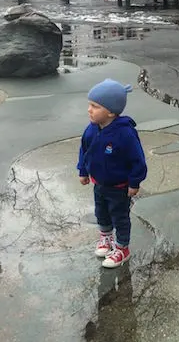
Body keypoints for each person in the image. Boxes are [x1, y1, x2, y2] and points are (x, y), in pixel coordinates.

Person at [76, 79, 147, 268]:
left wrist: (134, 182)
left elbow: (137, 159)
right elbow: (84, 151)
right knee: (101, 213)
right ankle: (105, 238)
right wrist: (83, 170)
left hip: (119, 187)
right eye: (89, 105)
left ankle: (122, 248)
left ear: (111, 111)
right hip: (99, 183)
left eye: (95, 106)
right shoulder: (91, 130)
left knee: (120, 217)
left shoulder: (125, 133)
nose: (89, 110)